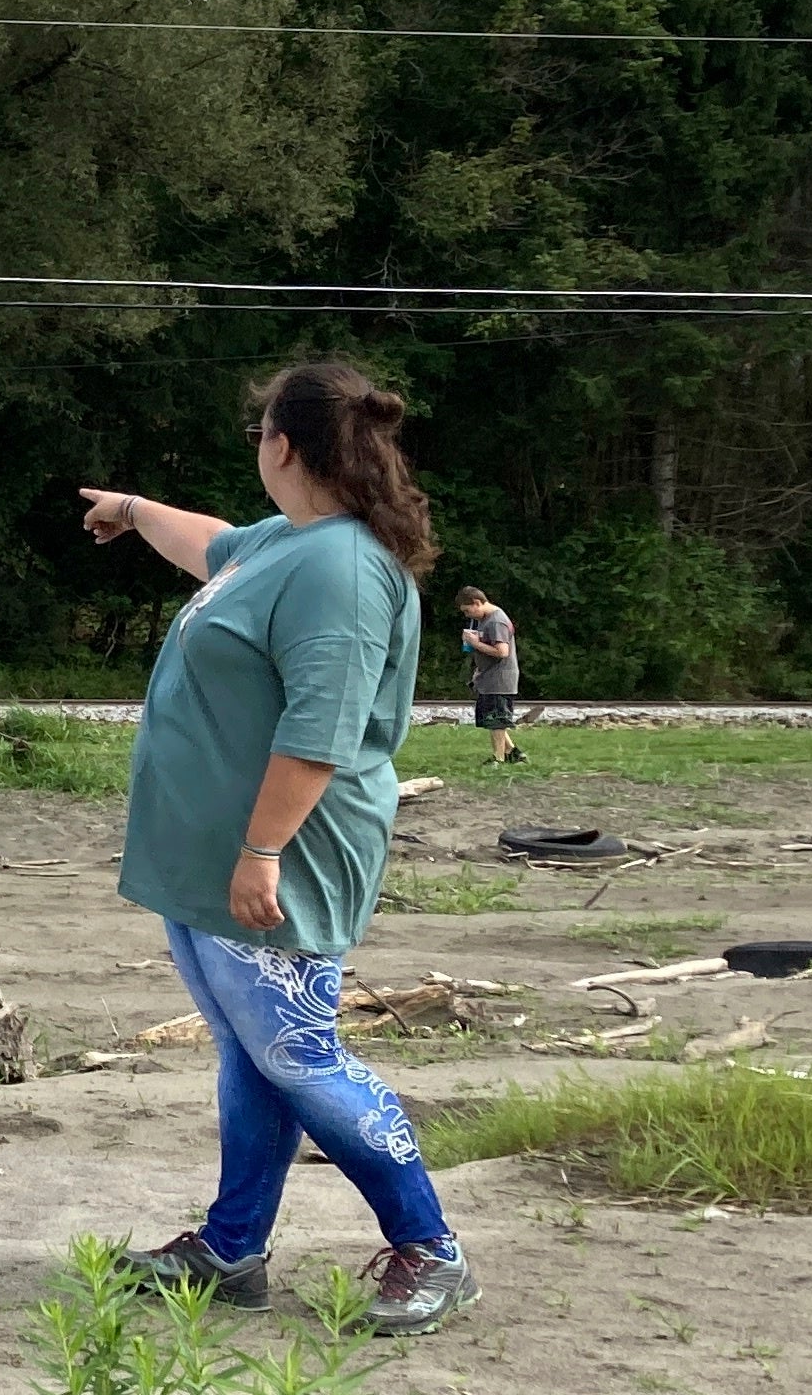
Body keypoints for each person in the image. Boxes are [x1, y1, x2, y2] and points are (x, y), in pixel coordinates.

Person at [76, 360, 476, 1336]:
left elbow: (319, 731)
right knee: (254, 1057)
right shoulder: (289, 546)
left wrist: (261, 850)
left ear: (282, 445)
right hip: (219, 866)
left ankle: (431, 1246)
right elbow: (213, 543)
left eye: (259, 432)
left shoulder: (339, 570)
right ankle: (232, 1249)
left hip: (282, 863)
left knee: (298, 1054)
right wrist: (132, 508)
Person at [458, 586, 523, 764]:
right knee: (493, 718)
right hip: (488, 678)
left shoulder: (496, 621)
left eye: (467, 610)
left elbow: (502, 652)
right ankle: (513, 753)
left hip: (499, 679)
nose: (467, 615)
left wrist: (475, 643)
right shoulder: (485, 619)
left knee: (497, 721)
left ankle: (498, 759)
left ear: (477, 603)